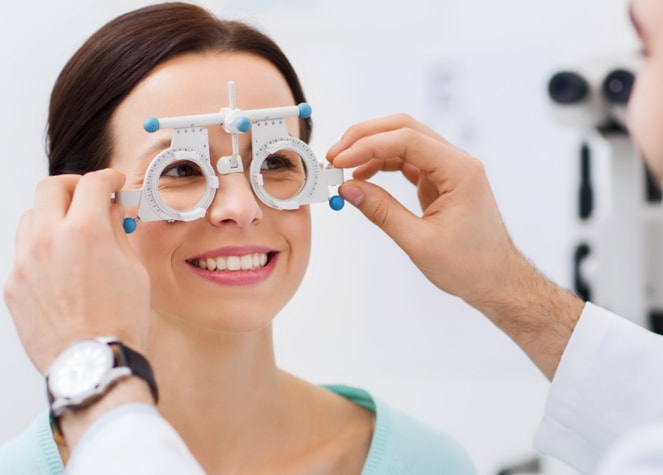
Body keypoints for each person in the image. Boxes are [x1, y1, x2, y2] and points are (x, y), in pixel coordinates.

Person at [0, 3, 477, 474]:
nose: (241, 209)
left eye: (274, 163)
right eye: (182, 169)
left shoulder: (426, 463)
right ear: (80, 210)